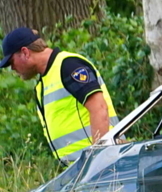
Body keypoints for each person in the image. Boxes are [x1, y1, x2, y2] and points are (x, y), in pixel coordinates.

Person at [0, 28, 118, 165]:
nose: (12, 68)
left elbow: (99, 108)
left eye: (11, 62)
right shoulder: (46, 79)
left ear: (25, 52)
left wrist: (99, 160)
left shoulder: (68, 66)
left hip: (100, 166)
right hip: (81, 169)